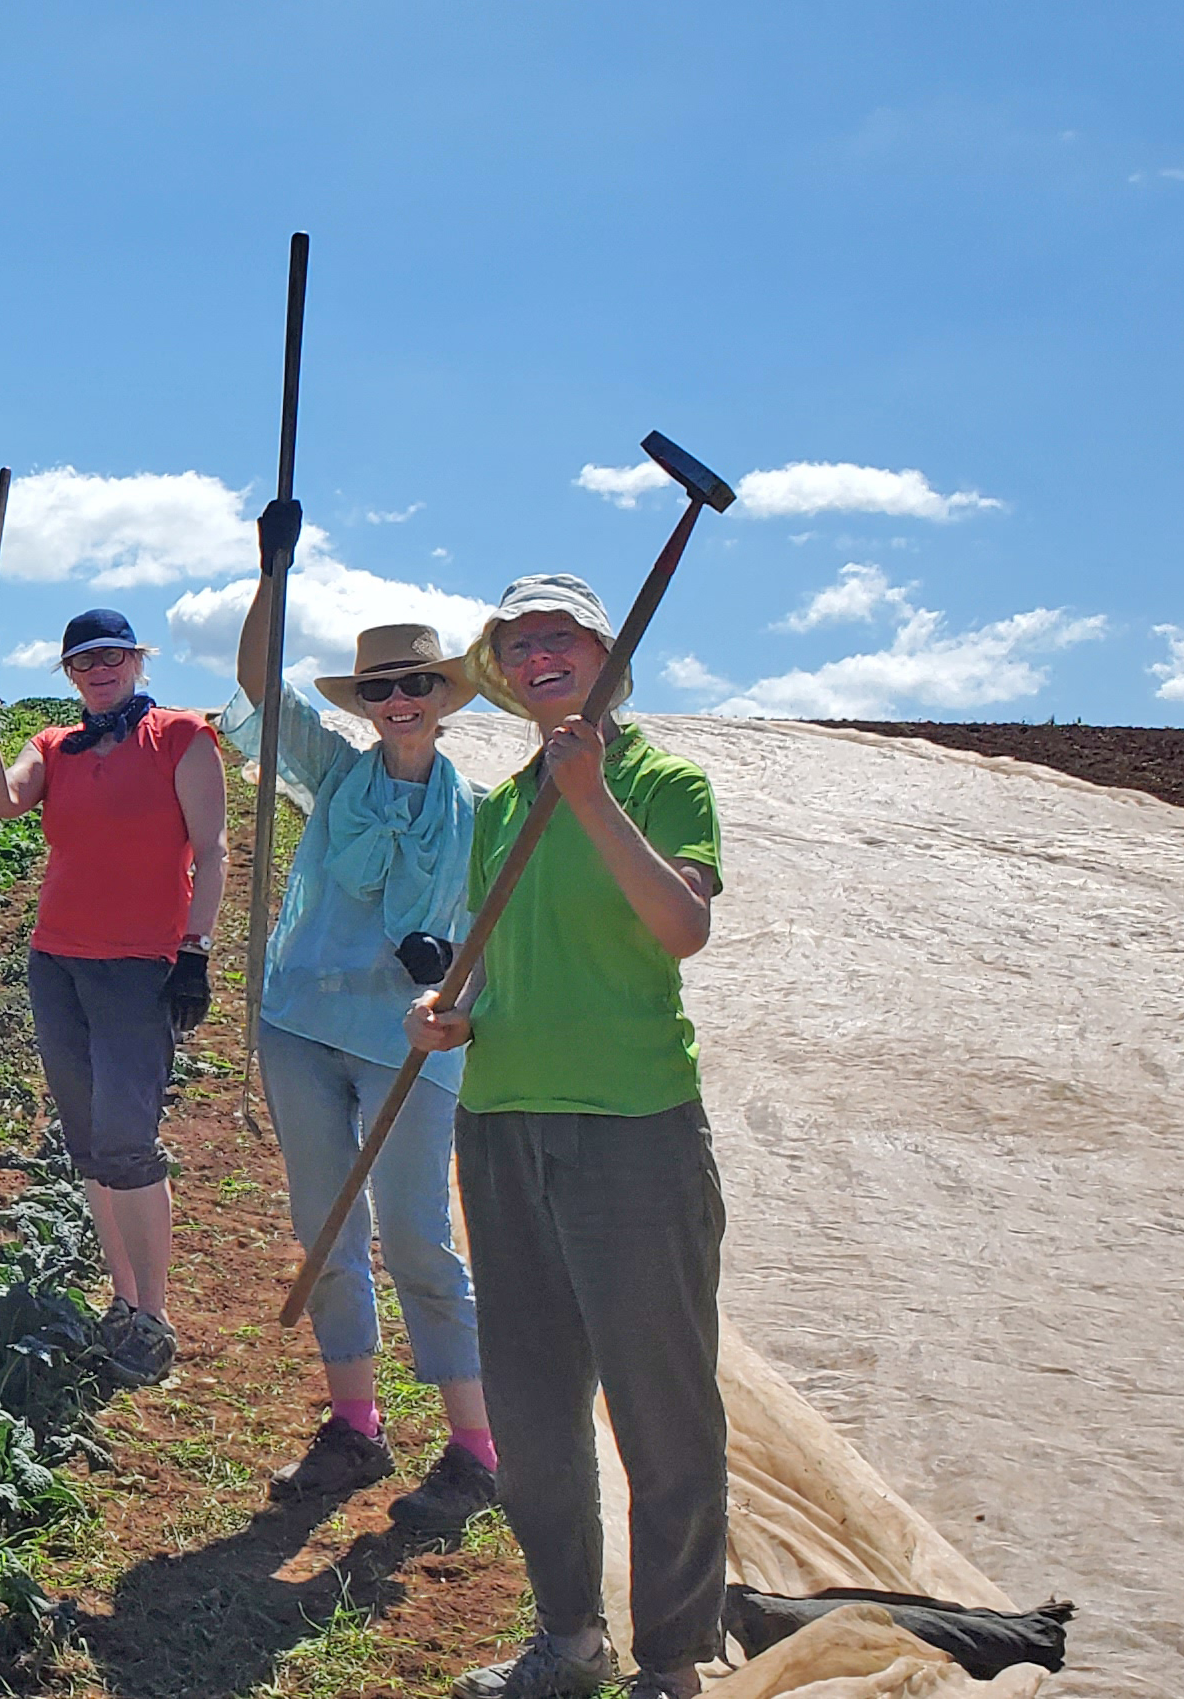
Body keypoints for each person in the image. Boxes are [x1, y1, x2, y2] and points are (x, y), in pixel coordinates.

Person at [404, 574, 728, 1699]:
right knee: (535, 1405)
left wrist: (589, 793)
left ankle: (673, 1661)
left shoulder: (661, 782)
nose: (541, 656)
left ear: (606, 655)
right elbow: (494, 954)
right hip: (499, 1126)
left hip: (633, 1131)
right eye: (521, 643)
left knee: (661, 1403)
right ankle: (570, 1639)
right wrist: (452, 1014)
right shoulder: (500, 807)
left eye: (562, 639)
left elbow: (679, 927)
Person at [219, 520, 500, 1531]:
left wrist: (455, 984)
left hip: (411, 1042)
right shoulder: (337, 773)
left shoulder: (482, 809)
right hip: (300, 1023)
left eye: (411, 687)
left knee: (423, 1239)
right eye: (378, 689)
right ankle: (357, 1425)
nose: (395, 702)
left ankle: (475, 1447)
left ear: (441, 698)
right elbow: (259, 681)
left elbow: (499, 922)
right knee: (325, 1226)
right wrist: (271, 575)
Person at [0, 609, 222, 1387]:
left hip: (142, 966)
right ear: (68, 674)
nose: (99, 670)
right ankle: (122, 1297)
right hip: (58, 963)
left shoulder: (180, 736)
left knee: (128, 1139)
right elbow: (1, 803)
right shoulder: (55, 747)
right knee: (87, 1144)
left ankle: (155, 1317)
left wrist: (196, 952)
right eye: (83, 662)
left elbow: (211, 849)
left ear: (137, 660)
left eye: (112, 656)